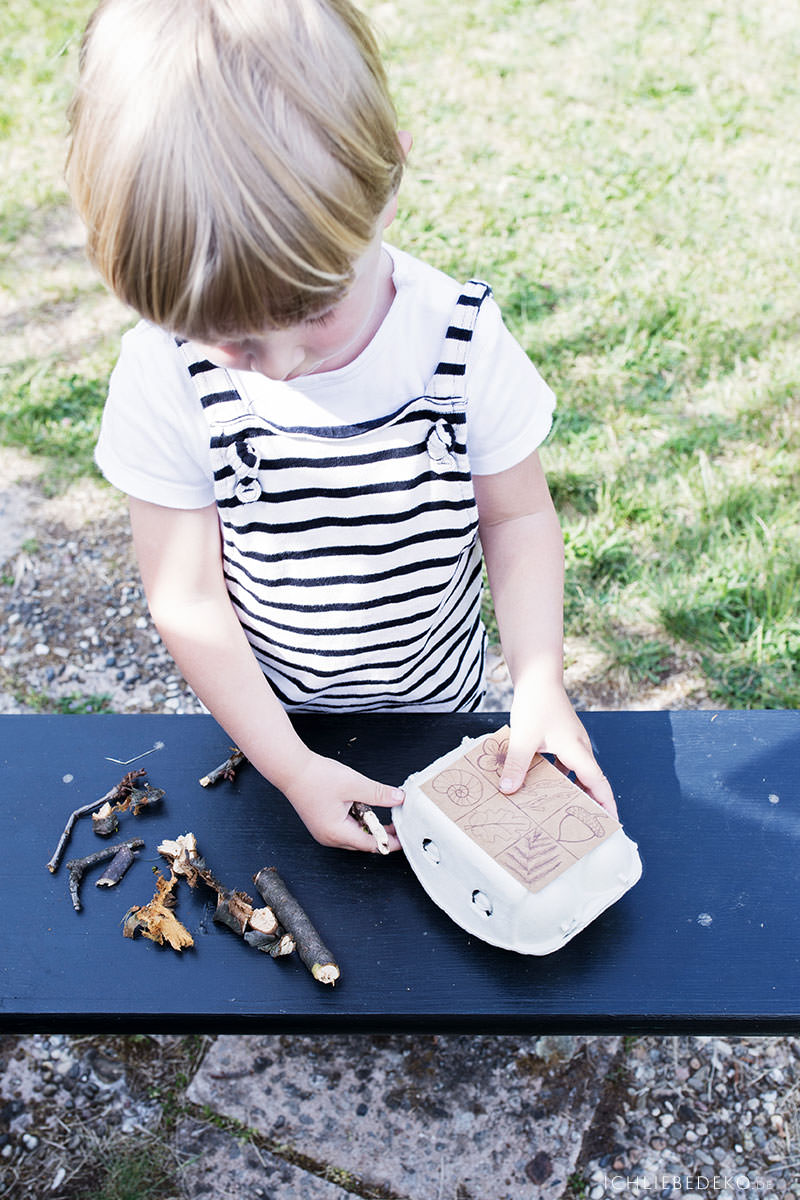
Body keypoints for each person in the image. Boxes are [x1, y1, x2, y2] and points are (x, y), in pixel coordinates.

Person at [66, 0, 616, 853]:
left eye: (313, 310)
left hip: (442, 710)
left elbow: (516, 516)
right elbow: (188, 594)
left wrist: (538, 678)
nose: (280, 366)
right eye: (234, 337)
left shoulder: (460, 339)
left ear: (389, 182)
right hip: (264, 719)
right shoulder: (165, 370)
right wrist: (289, 765)